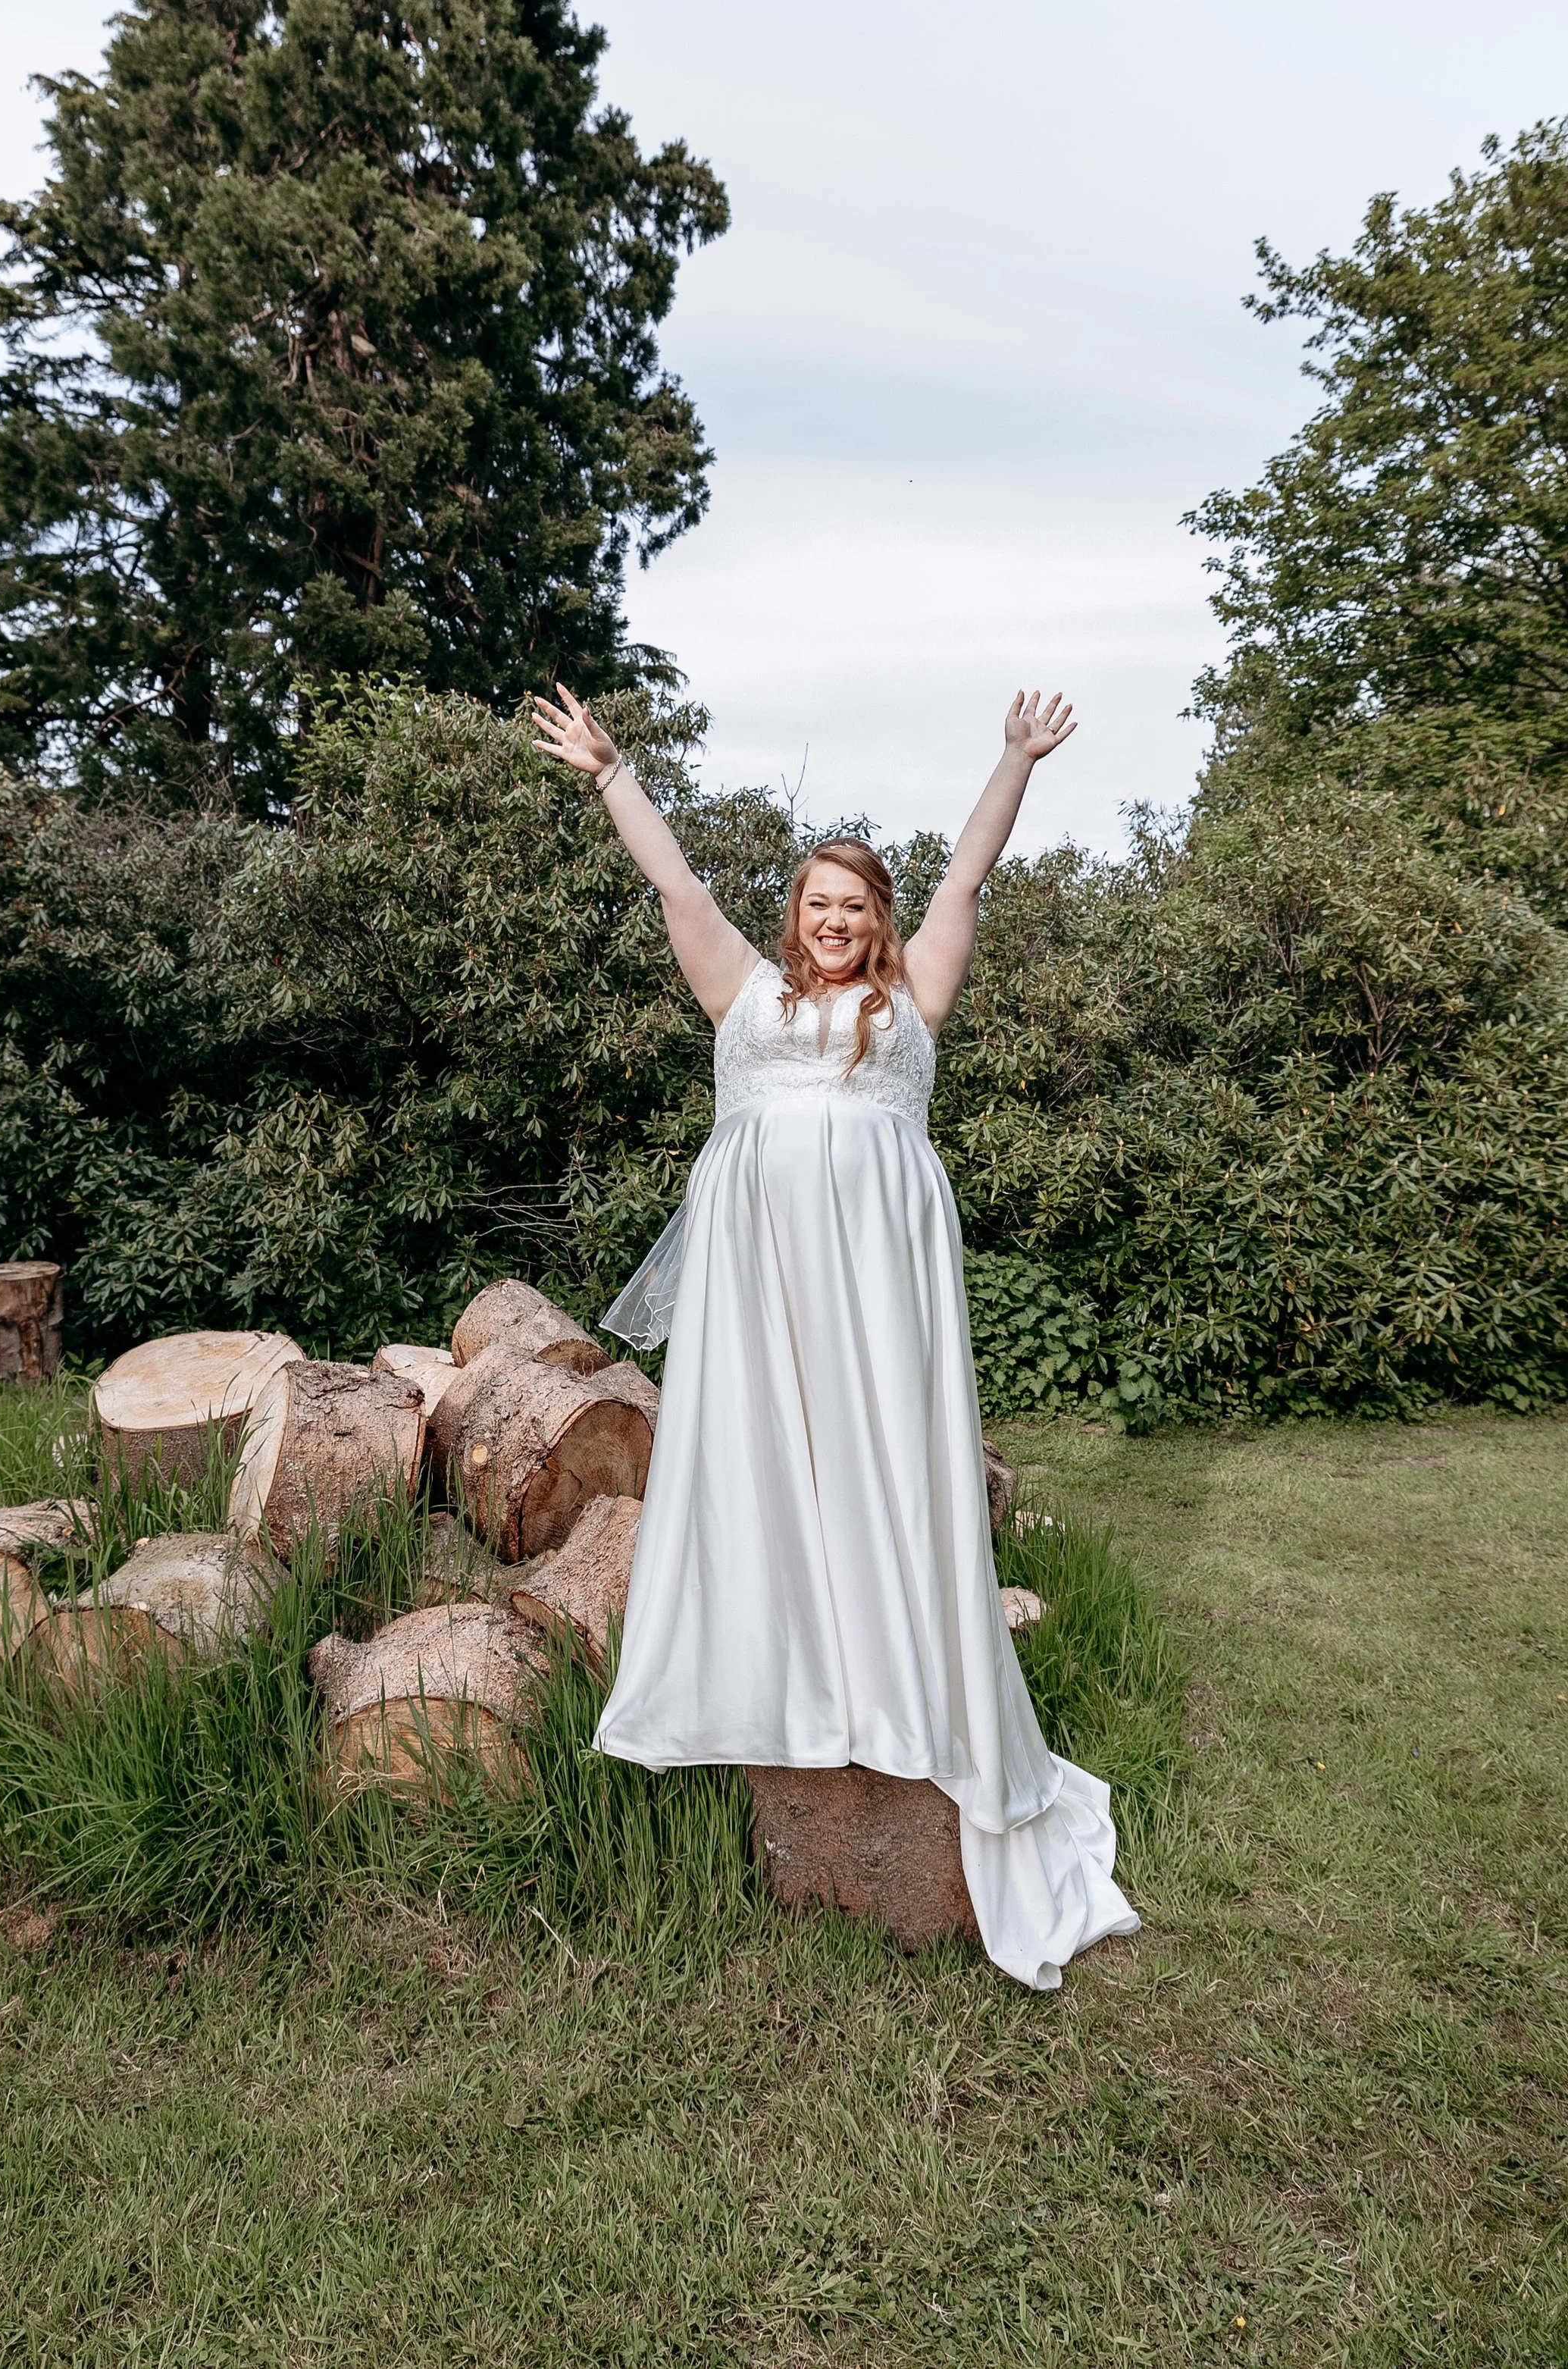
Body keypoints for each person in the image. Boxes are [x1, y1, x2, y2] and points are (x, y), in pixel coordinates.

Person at [530, 684, 1140, 1989]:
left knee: (880, 1467)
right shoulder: (743, 999)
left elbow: (971, 875)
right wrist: (609, 774)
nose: (838, 918)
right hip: (766, 1292)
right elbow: (680, 890)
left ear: (881, 923)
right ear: (795, 918)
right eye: (819, 901)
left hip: (878, 1287)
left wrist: (1013, 759)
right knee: (770, 1467)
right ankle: (783, 1676)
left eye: (858, 902)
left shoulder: (913, 1002)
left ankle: (904, 1672)